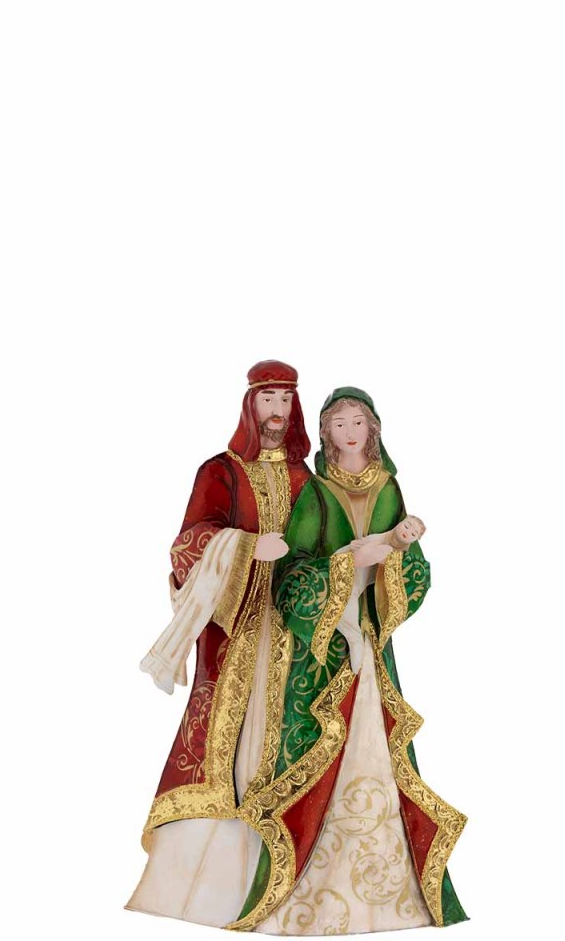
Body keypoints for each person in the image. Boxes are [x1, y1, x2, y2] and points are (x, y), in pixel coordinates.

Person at [231, 386, 468, 934]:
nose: (350, 432)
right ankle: (304, 889)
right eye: (338, 424)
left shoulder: (388, 488)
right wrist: (344, 568)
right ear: (326, 434)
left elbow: (414, 565)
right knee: (319, 745)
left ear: (373, 428)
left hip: (371, 639)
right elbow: (293, 572)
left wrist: (395, 551)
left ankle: (390, 889)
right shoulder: (316, 492)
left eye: (357, 422)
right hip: (324, 649)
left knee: (379, 745)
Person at [125, 360, 312, 927]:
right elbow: (188, 544)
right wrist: (246, 548)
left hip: (293, 633)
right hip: (233, 634)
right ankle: (200, 877)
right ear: (250, 406)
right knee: (221, 738)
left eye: (285, 400)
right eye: (267, 399)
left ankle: (283, 870)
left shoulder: (307, 479)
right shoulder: (221, 471)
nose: (276, 411)